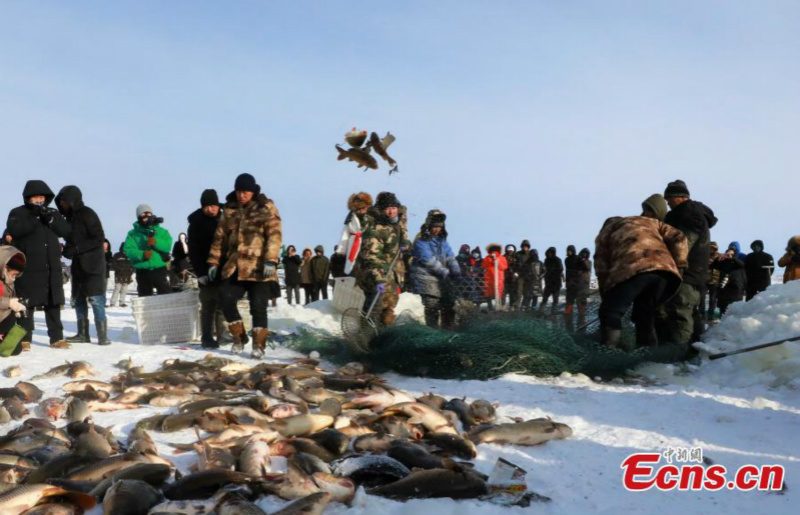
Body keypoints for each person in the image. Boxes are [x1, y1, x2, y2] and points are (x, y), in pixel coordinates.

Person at [595, 194, 688, 348]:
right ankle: (647, 355)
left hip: (633, 269)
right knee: (644, 315)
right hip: (665, 275)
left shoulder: (609, 229)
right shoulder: (652, 222)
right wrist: (680, 264)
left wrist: (606, 294)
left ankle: (608, 353)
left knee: (610, 312)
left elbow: (601, 266)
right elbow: (679, 237)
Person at [208, 173, 282, 358]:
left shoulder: (266, 207)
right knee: (225, 298)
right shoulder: (230, 210)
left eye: (246, 192)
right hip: (235, 266)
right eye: (239, 191)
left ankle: (259, 346)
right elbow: (219, 238)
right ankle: (239, 338)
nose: (242, 195)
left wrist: (271, 259)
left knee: (258, 306)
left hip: (259, 266)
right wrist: (213, 261)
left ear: (253, 191)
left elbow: (274, 235)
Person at [6, 180, 71, 350]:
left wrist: (51, 219)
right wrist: (35, 217)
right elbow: (15, 230)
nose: (38, 200)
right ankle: (25, 338)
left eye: (41, 197)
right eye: (35, 197)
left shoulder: (52, 212)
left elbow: (65, 231)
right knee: (26, 304)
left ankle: (57, 338)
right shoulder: (18, 212)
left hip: (51, 267)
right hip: (28, 267)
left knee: (53, 303)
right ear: (28, 198)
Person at [659, 180, 717, 349]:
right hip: (696, 271)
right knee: (691, 311)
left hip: (686, 271)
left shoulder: (689, 212)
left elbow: (684, 242)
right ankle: (696, 348)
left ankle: (679, 352)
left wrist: (675, 261)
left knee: (680, 311)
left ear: (681, 197)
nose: (667, 202)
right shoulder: (689, 212)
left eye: (669, 198)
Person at [55, 185, 110, 346]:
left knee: (96, 300)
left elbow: (99, 238)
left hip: (93, 265)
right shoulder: (69, 219)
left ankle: (102, 336)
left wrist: (77, 248)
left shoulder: (88, 213)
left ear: (72, 200)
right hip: (78, 266)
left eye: (64, 201)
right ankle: (83, 334)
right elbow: (72, 242)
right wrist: (67, 250)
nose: (62, 204)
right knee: (79, 300)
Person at [357, 192, 411, 327]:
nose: (391, 212)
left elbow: (403, 221)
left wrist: (405, 241)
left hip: (392, 273)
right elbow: (371, 257)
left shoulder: (399, 218)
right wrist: (378, 279)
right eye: (388, 208)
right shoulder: (374, 229)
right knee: (375, 307)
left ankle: (384, 335)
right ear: (381, 210)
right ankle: (366, 336)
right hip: (375, 273)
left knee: (389, 308)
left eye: (394, 208)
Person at [188, 189, 230, 349]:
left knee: (224, 303)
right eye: (206, 206)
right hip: (205, 269)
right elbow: (194, 251)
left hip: (225, 269)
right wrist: (200, 273)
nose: (209, 209)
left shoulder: (227, 218)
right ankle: (206, 337)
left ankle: (224, 335)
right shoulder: (196, 223)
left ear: (217, 205)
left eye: (212, 205)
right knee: (208, 304)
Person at [410, 210, 460, 329]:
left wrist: (456, 269)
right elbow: (428, 260)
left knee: (449, 303)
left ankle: (447, 331)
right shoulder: (421, 241)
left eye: (439, 227)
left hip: (440, 277)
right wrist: (446, 272)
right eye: (434, 226)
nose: (437, 229)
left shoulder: (441, 241)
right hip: (425, 277)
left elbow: (449, 256)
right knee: (432, 305)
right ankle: (432, 331)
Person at [124, 204, 173, 297]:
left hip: (159, 269)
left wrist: (156, 242)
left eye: (148, 213)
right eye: (143, 214)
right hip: (142, 271)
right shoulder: (133, 234)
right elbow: (128, 250)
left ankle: (164, 311)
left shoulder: (162, 231)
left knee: (165, 296)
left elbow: (167, 246)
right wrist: (142, 254)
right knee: (144, 297)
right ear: (138, 217)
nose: (146, 216)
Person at [336, 192, 373, 276]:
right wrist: (341, 252)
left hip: (367, 246)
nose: (361, 210)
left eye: (363, 208)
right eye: (358, 208)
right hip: (353, 246)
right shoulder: (350, 217)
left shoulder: (372, 217)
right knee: (352, 271)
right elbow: (345, 234)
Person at [0, 247, 28, 356]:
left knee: (15, 349)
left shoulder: (8, 279)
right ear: (5, 268)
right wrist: (9, 303)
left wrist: (16, 306)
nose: (14, 278)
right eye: (14, 274)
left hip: (3, 317)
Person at [712, 242, 746, 316]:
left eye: (734, 248)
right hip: (723, 288)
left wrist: (733, 258)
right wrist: (718, 259)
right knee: (723, 308)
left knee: (735, 309)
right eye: (730, 248)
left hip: (736, 288)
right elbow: (714, 267)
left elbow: (742, 265)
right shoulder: (723, 260)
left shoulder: (740, 258)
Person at [565, 247, 592, 315]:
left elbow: (587, 268)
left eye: (586, 254)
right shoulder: (577, 261)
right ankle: (569, 312)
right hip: (576, 282)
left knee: (582, 300)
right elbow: (573, 270)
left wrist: (582, 261)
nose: (584, 255)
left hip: (585, 284)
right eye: (583, 253)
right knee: (573, 298)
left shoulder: (589, 262)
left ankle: (582, 313)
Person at [514, 240, 539, 311]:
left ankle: (525, 305)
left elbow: (534, 261)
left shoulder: (531, 253)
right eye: (524, 246)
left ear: (528, 247)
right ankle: (517, 305)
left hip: (528, 275)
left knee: (527, 292)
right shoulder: (518, 254)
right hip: (520, 274)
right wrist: (515, 272)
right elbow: (515, 264)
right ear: (522, 246)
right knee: (519, 290)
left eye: (526, 246)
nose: (525, 247)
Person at [482, 244, 508, 309]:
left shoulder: (501, 258)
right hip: (490, 278)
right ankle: (491, 306)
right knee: (489, 292)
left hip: (498, 278)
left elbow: (503, 267)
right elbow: (484, 265)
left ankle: (498, 305)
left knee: (498, 291)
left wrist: (496, 261)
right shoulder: (488, 258)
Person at [540, 247, 564, 313]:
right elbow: (544, 270)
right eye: (548, 252)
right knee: (545, 298)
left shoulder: (558, 259)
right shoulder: (546, 260)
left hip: (556, 283)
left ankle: (554, 311)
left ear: (553, 253)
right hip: (548, 283)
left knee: (555, 299)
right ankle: (541, 311)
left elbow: (561, 269)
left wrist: (552, 270)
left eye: (551, 253)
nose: (549, 254)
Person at [110, 243, 133, 307]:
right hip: (119, 275)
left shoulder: (130, 255)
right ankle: (112, 302)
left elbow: (133, 264)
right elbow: (113, 263)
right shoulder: (117, 255)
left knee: (124, 289)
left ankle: (122, 302)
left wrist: (131, 271)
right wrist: (118, 269)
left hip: (127, 275)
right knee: (117, 288)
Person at [702, 242, 721, 322]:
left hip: (714, 279)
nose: (711, 250)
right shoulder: (703, 255)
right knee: (702, 298)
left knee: (712, 299)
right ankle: (701, 314)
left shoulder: (719, 256)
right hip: (704, 279)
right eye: (710, 248)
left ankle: (711, 315)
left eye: (713, 248)